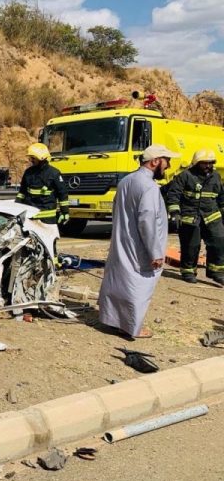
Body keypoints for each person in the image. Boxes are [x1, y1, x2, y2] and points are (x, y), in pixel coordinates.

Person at [98, 144, 180, 339]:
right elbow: (147, 220)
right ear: (155, 161)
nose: (168, 166)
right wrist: (155, 253)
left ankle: (116, 320)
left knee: (120, 281)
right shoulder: (149, 187)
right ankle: (131, 327)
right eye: (166, 161)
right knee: (138, 285)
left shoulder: (126, 181)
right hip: (140, 246)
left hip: (123, 241)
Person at [165, 148, 224, 284]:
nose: (208, 165)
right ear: (197, 163)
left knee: (219, 241)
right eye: (204, 163)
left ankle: (216, 272)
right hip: (190, 217)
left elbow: (221, 196)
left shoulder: (215, 176)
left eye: (210, 163)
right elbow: (173, 194)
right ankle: (188, 272)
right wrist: (175, 213)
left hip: (212, 216)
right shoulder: (185, 176)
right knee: (191, 245)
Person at [15, 143, 69, 225]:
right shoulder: (28, 172)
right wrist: (16, 207)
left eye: (33, 158)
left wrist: (65, 212)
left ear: (41, 158)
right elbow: (22, 192)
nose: (31, 160)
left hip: (47, 219)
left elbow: (62, 194)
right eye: (30, 158)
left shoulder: (54, 173)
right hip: (30, 217)